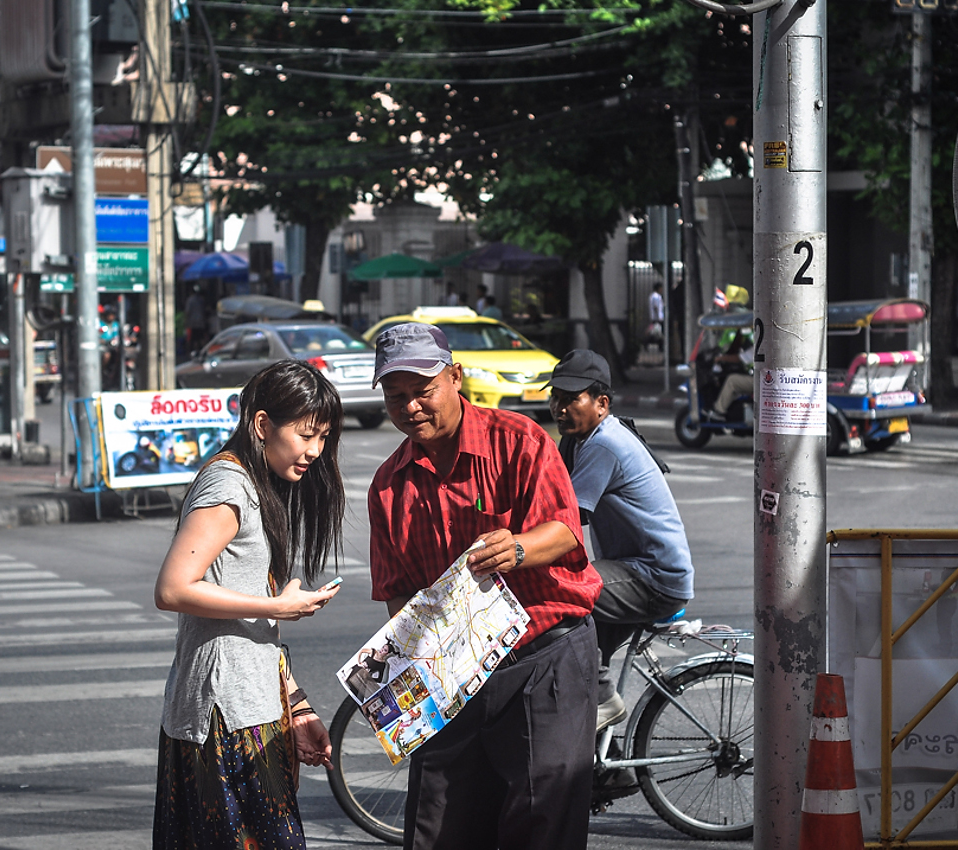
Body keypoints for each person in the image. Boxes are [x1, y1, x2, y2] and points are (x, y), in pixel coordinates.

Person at [367, 322, 602, 850]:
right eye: (396, 396)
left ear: (455, 377)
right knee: (436, 823)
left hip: (543, 654)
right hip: (453, 673)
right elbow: (398, 591)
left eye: (422, 390)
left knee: (542, 819)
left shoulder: (519, 440)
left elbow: (565, 530)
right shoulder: (388, 484)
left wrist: (517, 548)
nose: (410, 407)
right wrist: (416, 654)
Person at [152, 360, 346, 850]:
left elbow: (254, 626)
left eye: (323, 437)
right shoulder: (228, 485)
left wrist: (296, 706)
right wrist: (277, 606)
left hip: (250, 708)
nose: (315, 451)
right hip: (223, 718)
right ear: (262, 425)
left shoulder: (257, 486)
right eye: (306, 435)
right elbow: (172, 588)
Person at [546, 350, 693, 730]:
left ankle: (605, 699)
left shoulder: (604, 443)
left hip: (652, 578)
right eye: (555, 398)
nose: (559, 408)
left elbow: (568, 519)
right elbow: (548, 495)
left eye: (571, 399)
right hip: (628, 571)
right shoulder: (578, 440)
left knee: (565, 594)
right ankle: (595, 758)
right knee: (574, 650)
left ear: (601, 403)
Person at [708, 329, 754, 420]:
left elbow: (740, 358)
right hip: (764, 380)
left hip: (762, 382)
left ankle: (719, 411)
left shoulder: (763, 346)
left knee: (732, 380)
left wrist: (720, 358)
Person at [185, 286, 209, 355]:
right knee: (201, 338)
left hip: (193, 323)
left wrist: (186, 321)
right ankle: (202, 351)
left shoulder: (190, 300)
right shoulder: (201, 300)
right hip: (201, 322)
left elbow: (187, 311)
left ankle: (194, 351)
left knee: (193, 338)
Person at [647, 282, 665, 352]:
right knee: (657, 333)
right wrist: (659, 317)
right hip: (657, 318)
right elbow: (656, 307)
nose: (662, 289)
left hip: (655, 318)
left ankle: (660, 346)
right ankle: (648, 342)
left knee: (656, 332)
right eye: (661, 288)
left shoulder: (653, 296)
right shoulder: (656, 296)